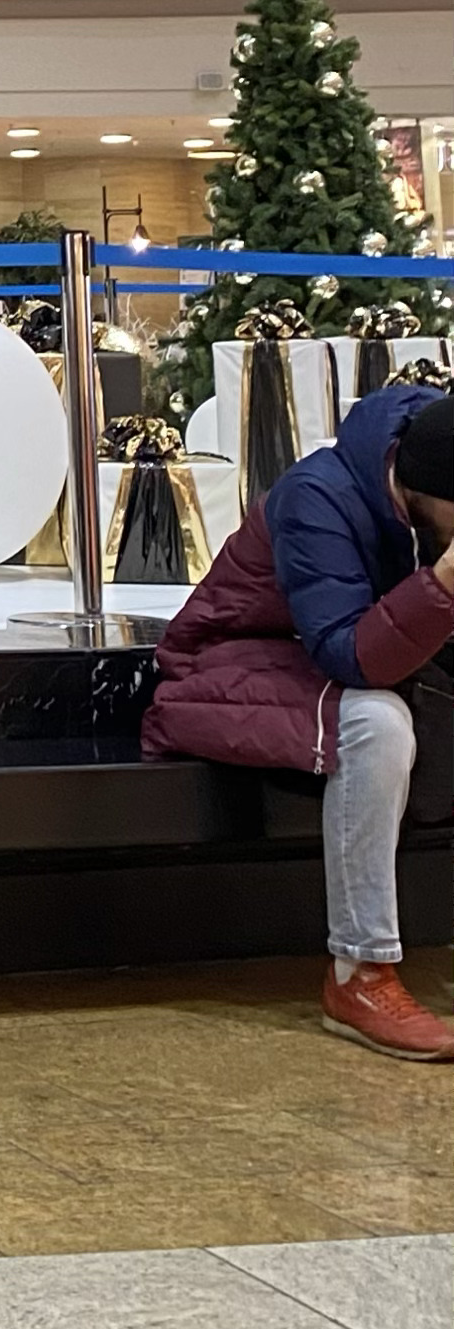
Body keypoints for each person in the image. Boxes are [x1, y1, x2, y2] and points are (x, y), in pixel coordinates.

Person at [144, 386, 454, 1060]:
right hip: (224, 668)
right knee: (378, 724)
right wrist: (446, 582)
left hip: (330, 662)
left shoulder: (429, 479)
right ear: (430, 489)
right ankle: (360, 975)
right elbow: (352, 657)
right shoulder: (318, 497)